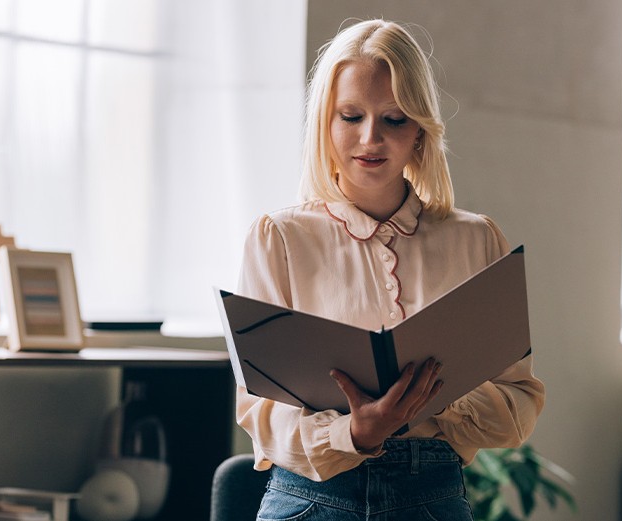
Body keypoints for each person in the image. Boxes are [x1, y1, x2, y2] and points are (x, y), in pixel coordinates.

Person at [235, 19, 546, 521]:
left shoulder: (477, 239)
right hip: (311, 501)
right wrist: (354, 434)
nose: (370, 138)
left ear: (421, 128)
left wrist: (434, 397)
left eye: (395, 119)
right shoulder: (279, 238)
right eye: (351, 116)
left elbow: (517, 412)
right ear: (325, 124)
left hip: (432, 495)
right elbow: (259, 414)